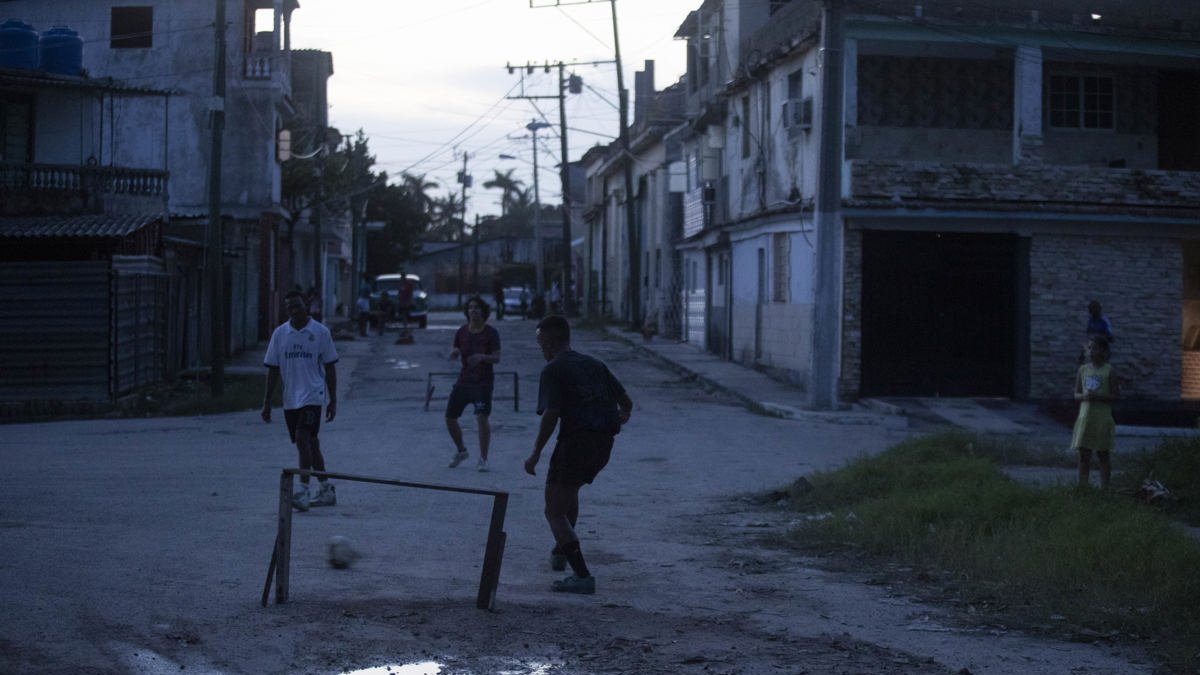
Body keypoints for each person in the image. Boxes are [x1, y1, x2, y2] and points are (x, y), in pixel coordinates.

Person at [524, 315, 633, 594]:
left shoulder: (553, 370)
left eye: (540, 343)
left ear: (548, 343)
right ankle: (561, 551)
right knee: (570, 492)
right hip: (603, 444)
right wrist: (621, 416)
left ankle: (582, 576)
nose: (540, 349)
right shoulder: (595, 364)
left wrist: (535, 452)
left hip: (576, 442)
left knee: (554, 510)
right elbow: (626, 401)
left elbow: (551, 415)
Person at [262, 290, 339, 511]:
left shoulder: (320, 332)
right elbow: (273, 369)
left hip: (313, 396)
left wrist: (333, 400)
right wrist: (267, 402)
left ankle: (303, 492)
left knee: (302, 438)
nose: (294, 311)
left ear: (306, 305)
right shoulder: (280, 334)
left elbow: (330, 367)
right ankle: (325, 488)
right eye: (289, 308)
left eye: (297, 306)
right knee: (310, 444)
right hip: (291, 399)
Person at [446, 295, 501, 471]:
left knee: (481, 418)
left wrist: (482, 357)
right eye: (470, 308)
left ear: (483, 312)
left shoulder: (491, 333)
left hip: (482, 382)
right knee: (450, 417)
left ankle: (483, 459)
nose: (473, 311)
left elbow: (497, 357)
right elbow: (456, 348)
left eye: (477, 307)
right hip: (464, 381)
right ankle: (461, 450)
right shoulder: (462, 332)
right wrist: (454, 352)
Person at [1072, 335, 1119, 489]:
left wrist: (1098, 396)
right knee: (1084, 455)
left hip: (1102, 418)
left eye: (1095, 348)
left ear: (1104, 351)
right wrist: (1084, 396)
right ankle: (1082, 487)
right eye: (1090, 348)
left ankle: (1105, 488)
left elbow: (1115, 395)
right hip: (1086, 417)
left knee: (1103, 454)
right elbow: (1076, 393)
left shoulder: (1109, 371)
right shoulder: (1083, 370)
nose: (1092, 351)